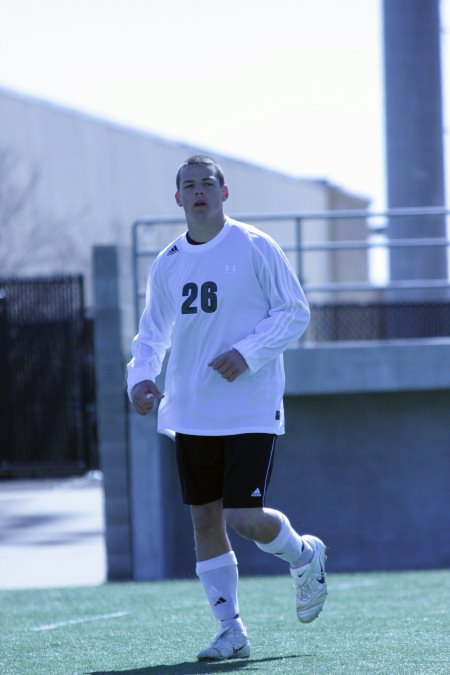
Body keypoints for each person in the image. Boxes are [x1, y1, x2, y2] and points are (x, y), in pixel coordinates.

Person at [127, 155, 327, 662]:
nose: (199, 192)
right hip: (191, 411)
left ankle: (304, 555)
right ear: (177, 198)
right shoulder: (169, 261)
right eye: (189, 186)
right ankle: (230, 630)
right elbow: (152, 333)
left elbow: (294, 312)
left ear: (224, 192)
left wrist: (247, 353)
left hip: (250, 408)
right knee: (205, 520)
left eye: (207, 184)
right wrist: (141, 379)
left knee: (242, 514)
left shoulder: (255, 246)